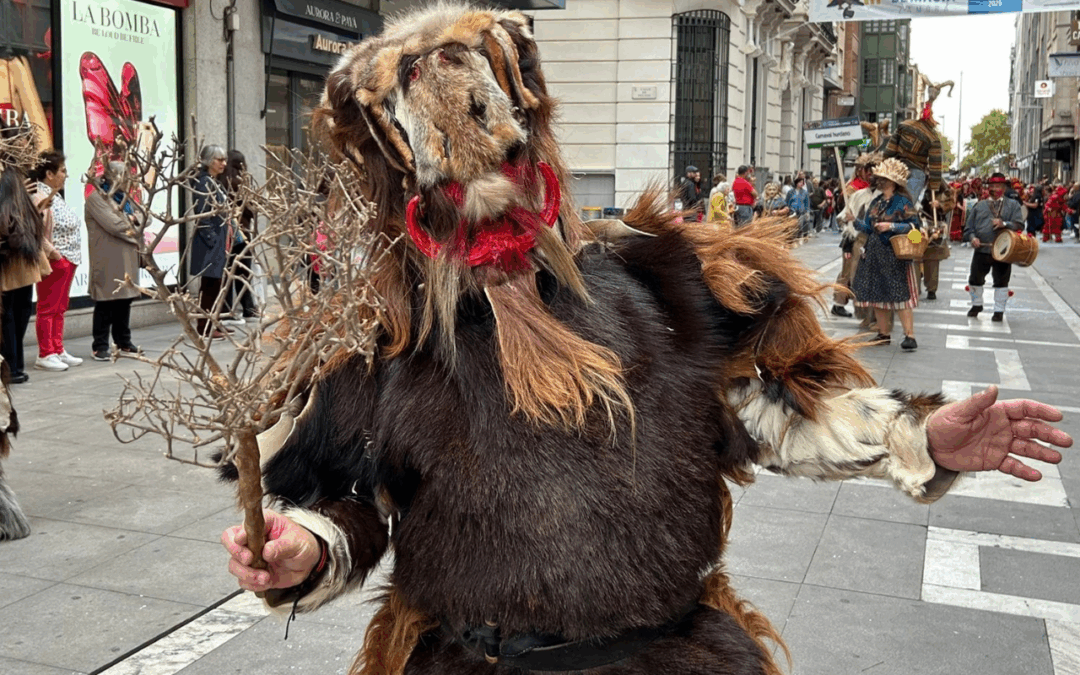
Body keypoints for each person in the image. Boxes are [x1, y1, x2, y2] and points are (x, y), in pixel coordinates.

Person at [218, 7, 1073, 674]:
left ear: (537, 154)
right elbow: (349, 508)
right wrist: (307, 548)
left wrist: (916, 436)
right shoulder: (389, 347)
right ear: (407, 198)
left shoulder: (658, 286)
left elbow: (774, 411)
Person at [850, 157, 920, 350]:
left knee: (900, 296)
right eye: (879, 178)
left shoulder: (903, 202)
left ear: (892, 182)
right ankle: (883, 334)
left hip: (894, 254)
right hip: (874, 253)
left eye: (882, 178)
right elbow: (868, 227)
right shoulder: (876, 202)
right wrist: (853, 220)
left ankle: (910, 336)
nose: (878, 181)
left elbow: (915, 227)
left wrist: (892, 225)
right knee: (877, 295)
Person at [0, 123, 50, 384]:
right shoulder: (10, 175)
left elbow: (11, 217)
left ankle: (14, 366)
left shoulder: (12, 175)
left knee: (15, 313)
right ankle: (14, 367)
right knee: (13, 313)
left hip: (17, 253)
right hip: (15, 252)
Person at [29, 150, 84, 371]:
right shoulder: (39, 196)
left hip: (67, 258)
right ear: (49, 174)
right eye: (62, 171)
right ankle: (46, 353)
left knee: (60, 307)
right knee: (48, 307)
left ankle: (57, 348)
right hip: (55, 259)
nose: (65, 175)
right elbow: (36, 231)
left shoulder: (54, 194)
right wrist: (54, 254)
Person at [85, 161, 143, 361]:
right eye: (125, 175)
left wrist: (134, 219)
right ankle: (99, 345)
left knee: (125, 300)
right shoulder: (96, 198)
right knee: (106, 301)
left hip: (128, 254)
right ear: (113, 176)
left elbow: (146, 217)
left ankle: (123, 342)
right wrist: (134, 221)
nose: (129, 179)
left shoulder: (126, 198)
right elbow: (116, 225)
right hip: (108, 257)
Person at [963, 173, 1025, 322]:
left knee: (1001, 280)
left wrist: (1005, 224)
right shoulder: (979, 205)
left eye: (998, 186)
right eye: (992, 186)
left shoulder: (1013, 205)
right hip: (982, 250)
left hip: (1003, 250)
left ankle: (999, 311)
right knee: (975, 278)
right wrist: (973, 238)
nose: (995, 189)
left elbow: (1019, 225)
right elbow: (968, 228)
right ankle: (976, 305)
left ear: (1004, 188)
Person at [188, 145, 233, 339]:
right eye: (219, 159)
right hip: (210, 245)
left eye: (224, 159)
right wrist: (214, 240)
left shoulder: (214, 182)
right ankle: (205, 326)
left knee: (216, 285)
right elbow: (203, 216)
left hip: (220, 242)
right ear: (208, 161)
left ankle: (214, 321)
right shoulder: (203, 183)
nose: (223, 163)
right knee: (209, 286)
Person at [832, 152, 882, 318]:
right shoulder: (855, 189)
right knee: (848, 273)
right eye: (868, 170)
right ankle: (839, 303)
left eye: (873, 170)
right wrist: (847, 219)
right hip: (854, 240)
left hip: (875, 240)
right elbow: (843, 214)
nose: (870, 174)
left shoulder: (885, 195)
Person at [220, 150, 259, 322]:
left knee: (227, 271)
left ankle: (227, 309)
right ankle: (248, 308)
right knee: (243, 272)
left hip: (226, 233)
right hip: (243, 233)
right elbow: (251, 210)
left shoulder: (220, 182)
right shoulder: (241, 184)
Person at [917, 186, 954, 301]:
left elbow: (951, 201)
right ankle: (914, 287)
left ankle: (931, 289)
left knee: (932, 259)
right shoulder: (909, 181)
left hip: (933, 225)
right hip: (913, 224)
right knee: (912, 258)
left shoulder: (938, 184)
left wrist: (940, 204)